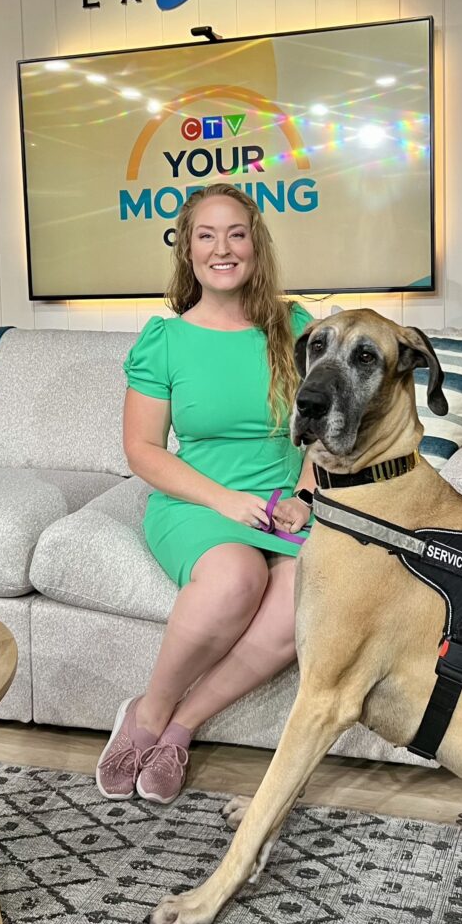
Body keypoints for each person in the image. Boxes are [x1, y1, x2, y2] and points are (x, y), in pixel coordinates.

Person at [95, 183, 315, 804]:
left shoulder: (295, 328)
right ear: (187, 251)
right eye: (206, 235)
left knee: (308, 591)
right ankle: (146, 713)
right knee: (235, 579)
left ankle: (181, 728)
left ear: (255, 243)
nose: (223, 248)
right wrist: (225, 502)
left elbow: (321, 432)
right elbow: (143, 450)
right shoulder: (165, 340)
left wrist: (304, 494)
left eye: (236, 233)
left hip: (286, 504)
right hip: (197, 503)